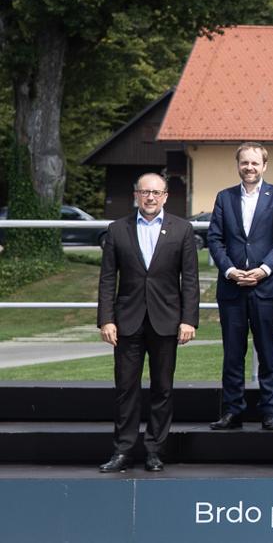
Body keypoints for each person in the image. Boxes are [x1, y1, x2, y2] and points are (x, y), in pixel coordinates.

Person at [96, 174, 199, 473]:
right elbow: (106, 280)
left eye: (156, 192)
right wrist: (106, 319)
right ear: (136, 195)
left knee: (162, 388)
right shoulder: (117, 230)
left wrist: (188, 319)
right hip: (126, 322)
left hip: (166, 321)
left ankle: (155, 450)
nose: (150, 197)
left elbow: (190, 280)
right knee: (126, 389)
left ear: (165, 196)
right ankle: (123, 450)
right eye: (145, 192)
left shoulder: (182, 230)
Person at [206, 142, 273, 430]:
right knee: (233, 352)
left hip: (266, 287)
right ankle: (233, 410)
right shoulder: (224, 197)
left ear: (264, 166)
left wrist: (263, 270)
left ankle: (269, 410)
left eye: (255, 163)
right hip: (232, 288)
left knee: (268, 350)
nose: (250, 168)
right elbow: (215, 239)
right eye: (245, 163)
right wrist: (230, 270)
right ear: (238, 165)